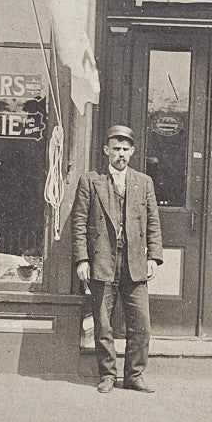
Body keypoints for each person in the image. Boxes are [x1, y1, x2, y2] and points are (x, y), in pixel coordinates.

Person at [72, 124, 163, 394]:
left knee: (141, 324)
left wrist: (154, 258)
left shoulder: (143, 182)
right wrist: (82, 260)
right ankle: (107, 375)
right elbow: (78, 223)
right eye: (116, 149)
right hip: (102, 261)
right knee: (103, 322)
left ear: (132, 152)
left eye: (125, 149)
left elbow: (153, 223)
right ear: (106, 150)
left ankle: (134, 375)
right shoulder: (91, 180)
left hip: (134, 262)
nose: (120, 154)